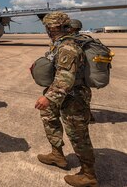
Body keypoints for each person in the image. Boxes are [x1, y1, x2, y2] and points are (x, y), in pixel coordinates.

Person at [35, 12, 98, 186]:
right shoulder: (59, 44)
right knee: (48, 117)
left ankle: (89, 175)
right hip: (62, 94)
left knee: (78, 135)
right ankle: (57, 155)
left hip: (74, 97)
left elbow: (66, 79)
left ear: (56, 27)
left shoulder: (68, 48)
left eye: (50, 26)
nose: (48, 30)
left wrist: (48, 97)